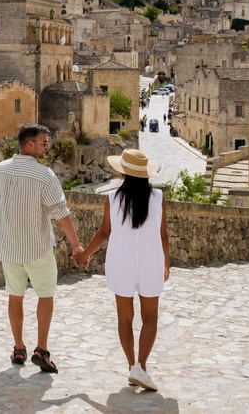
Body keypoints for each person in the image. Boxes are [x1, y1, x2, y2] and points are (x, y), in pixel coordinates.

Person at [0, 124, 85, 374]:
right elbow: (61, 212)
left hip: (9, 247)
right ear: (30, 144)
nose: (47, 147)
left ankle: (19, 349)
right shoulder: (44, 175)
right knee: (46, 295)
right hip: (37, 247)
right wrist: (76, 245)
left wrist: (2, 235)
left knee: (15, 295)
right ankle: (42, 350)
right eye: (44, 142)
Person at [74, 149, 169, 391]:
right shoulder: (158, 198)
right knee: (150, 317)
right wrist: (166, 262)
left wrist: (85, 255)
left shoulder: (113, 198)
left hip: (121, 262)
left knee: (125, 318)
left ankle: (131, 366)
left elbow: (104, 232)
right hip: (151, 262)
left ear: (123, 172)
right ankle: (141, 366)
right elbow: (163, 234)